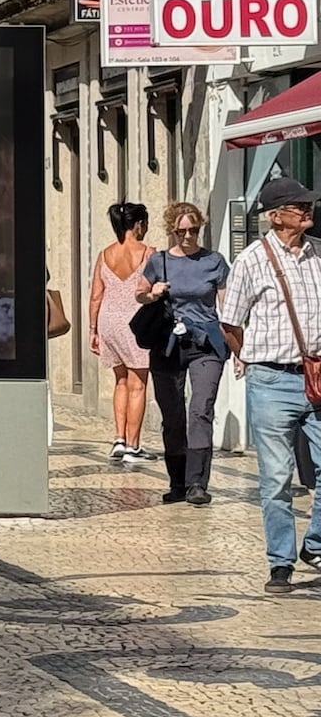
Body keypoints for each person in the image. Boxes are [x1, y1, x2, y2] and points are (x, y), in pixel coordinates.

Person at [218, 176, 321, 594]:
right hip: (271, 380)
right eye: (299, 206)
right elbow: (230, 321)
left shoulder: (318, 255)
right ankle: (281, 563)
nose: (308, 210)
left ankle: (314, 545)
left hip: (315, 378)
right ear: (276, 216)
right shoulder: (251, 261)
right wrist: (251, 357)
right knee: (277, 477)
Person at [135, 202, 228, 507]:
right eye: (181, 231)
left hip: (206, 344)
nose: (187, 236)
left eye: (193, 230)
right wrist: (155, 292)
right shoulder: (158, 261)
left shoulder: (214, 261)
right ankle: (177, 482)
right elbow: (140, 293)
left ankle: (197, 484)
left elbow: (227, 308)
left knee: (200, 410)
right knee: (173, 415)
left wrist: (238, 347)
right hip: (168, 345)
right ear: (172, 230)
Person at [90, 201, 156, 463]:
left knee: (120, 380)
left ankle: (118, 439)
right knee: (138, 383)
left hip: (108, 321)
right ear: (139, 224)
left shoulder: (105, 254)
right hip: (136, 322)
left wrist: (93, 329)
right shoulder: (149, 253)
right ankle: (133, 445)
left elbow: (96, 295)